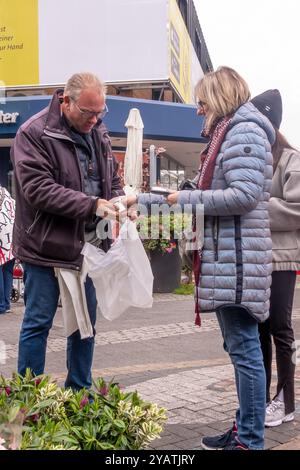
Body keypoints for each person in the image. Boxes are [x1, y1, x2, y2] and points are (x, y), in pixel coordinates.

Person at [126, 66, 275, 450]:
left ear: (221, 97)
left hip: (237, 262)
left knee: (244, 351)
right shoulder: (230, 133)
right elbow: (203, 194)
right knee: (240, 349)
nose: (197, 110)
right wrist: (138, 201)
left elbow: (242, 196)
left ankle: (251, 440)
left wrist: (183, 199)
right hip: (230, 260)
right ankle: (244, 431)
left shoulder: (243, 131)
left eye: (202, 101)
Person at [10, 72, 123, 390]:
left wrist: (118, 199)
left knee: (84, 326)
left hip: (88, 247)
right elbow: (38, 190)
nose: (95, 119)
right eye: (88, 112)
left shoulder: (98, 131)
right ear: (66, 101)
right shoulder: (33, 133)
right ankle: (28, 400)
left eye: (100, 112)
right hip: (44, 247)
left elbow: (109, 175)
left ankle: (79, 394)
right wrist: (92, 205)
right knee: (38, 322)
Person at [251, 90, 299, 427]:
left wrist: (255, 207)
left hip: (282, 259)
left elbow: (298, 208)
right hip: (255, 257)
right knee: (258, 329)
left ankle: (286, 401)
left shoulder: (291, 159)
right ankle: (265, 399)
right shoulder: (254, 156)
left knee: (280, 328)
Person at [0, 185, 15, 314]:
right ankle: (6, 303)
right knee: (8, 271)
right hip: (10, 239)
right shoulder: (7, 194)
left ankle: (0, 305)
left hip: (1, 237)